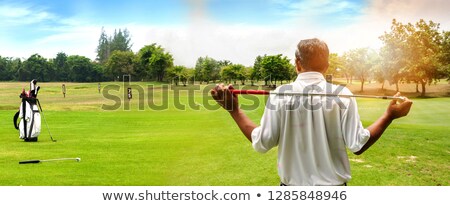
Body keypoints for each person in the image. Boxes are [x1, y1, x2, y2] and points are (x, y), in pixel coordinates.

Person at [210, 38, 413, 186]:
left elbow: (262, 143)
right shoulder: (343, 94)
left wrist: (234, 110)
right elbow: (358, 145)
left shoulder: (281, 94)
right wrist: (389, 116)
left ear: (297, 64)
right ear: (327, 65)